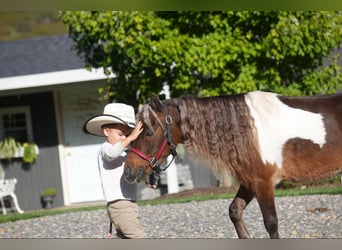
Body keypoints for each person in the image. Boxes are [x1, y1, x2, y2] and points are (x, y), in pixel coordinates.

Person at [84, 103, 146, 239]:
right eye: (121, 134)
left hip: (129, 203)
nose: (125, 138)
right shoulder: (105, 148)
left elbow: (131, 172)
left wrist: (146, 180)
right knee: (138, 237)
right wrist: (130, 138)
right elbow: (112, 154)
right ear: (106, 131)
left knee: (125, 238)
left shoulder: (124, 153)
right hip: (119, 205)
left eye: (128, 134)